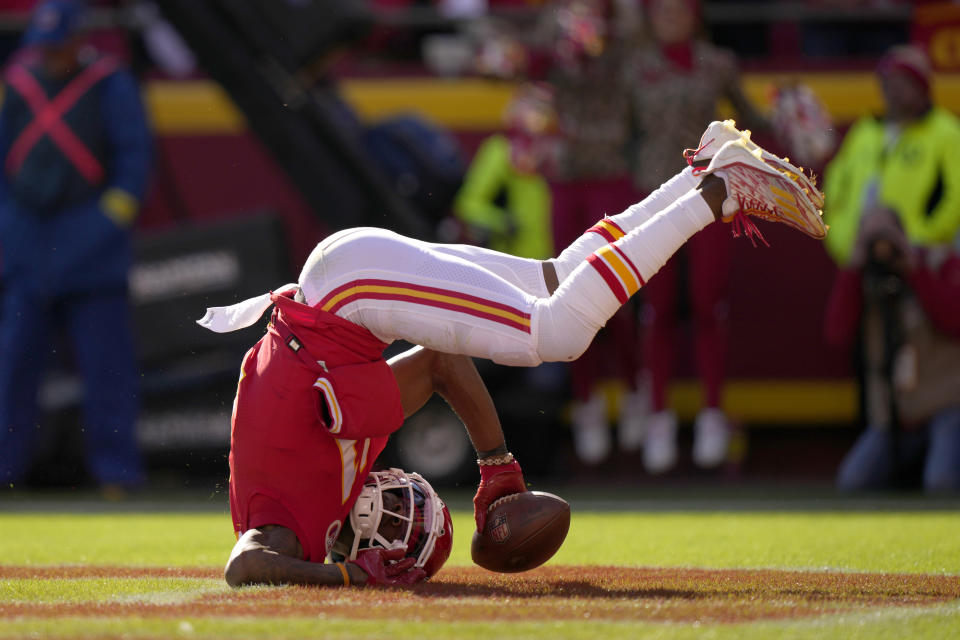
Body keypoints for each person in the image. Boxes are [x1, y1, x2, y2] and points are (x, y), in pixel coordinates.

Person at [200, 121, 825, 587]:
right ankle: (701, 169)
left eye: (394, 528)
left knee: (556, 334)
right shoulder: (337, 448)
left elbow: (245, 565)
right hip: (346, 281)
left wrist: (349, 580)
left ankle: (721, 193)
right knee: (552, 282)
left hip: (348, 292)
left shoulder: (290, 528)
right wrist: (495, 465)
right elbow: (442, 361)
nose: (396, 511)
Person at [0, 0, 152, 492]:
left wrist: (89, 234)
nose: (48, 57)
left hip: (94, 256)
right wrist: (15, 231)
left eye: (57, 46)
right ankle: (5, 472)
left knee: (107, 373)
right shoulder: (18, 83)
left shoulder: (110, 84)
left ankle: (117, 476)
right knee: (12, 369)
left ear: (76, 40)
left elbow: (132, 171)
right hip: (28, 248)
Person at [628, 0, 772, 475]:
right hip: (654, 198)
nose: (670, 16)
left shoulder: (719, 62)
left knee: (710, 301)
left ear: (696, 14)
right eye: (661, 9)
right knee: (659, 307)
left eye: (679, 8)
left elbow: (753, 120)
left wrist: (789, 114)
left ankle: (712, 413)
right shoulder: (635, 66)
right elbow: (618, 132)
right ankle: (659, 419)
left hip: (710, 195)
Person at [825, 210, 960, 492]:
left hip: (945, 407)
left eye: (889, 238)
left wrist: (914, 269)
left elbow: (954, 320)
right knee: (853, 481)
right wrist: (854, 269)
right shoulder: (862, 279)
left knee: (941, 482)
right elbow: (836, 334)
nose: (883, 249)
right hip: (893, 416)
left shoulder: (934, 263)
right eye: (873, 239)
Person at [822, 45, 960, 266]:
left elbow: (956, 196)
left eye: (902, 81)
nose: (892, 89)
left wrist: (925, 238)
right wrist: (840, 237)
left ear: (922, 87)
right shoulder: (864, 130)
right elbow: (835, 185)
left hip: (917, 261)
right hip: (858, 256)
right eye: (887, 81)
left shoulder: (946, 132)